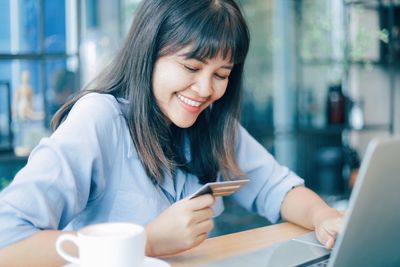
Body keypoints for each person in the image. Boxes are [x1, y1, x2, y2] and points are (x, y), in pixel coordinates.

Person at [0, 0, 343, 266]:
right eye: (191, 67)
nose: (205, 89)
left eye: (221, 75)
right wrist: (145, 242)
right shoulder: (99, 119)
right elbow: (8, 243)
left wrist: (323, 216)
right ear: (148, 52)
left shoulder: (210, 124)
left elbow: (276, 188)